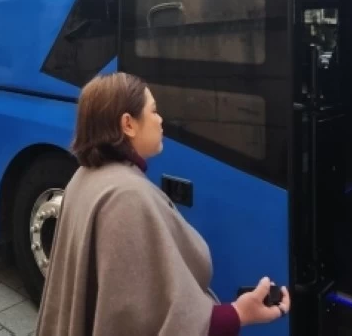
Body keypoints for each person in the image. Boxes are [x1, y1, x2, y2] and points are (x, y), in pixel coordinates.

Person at [36, 72, 290, 335]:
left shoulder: (85, 176)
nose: (160, 120)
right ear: (128, 124)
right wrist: (239, 314)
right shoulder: (127, 197)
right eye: (154, 111)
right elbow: (148, 324)